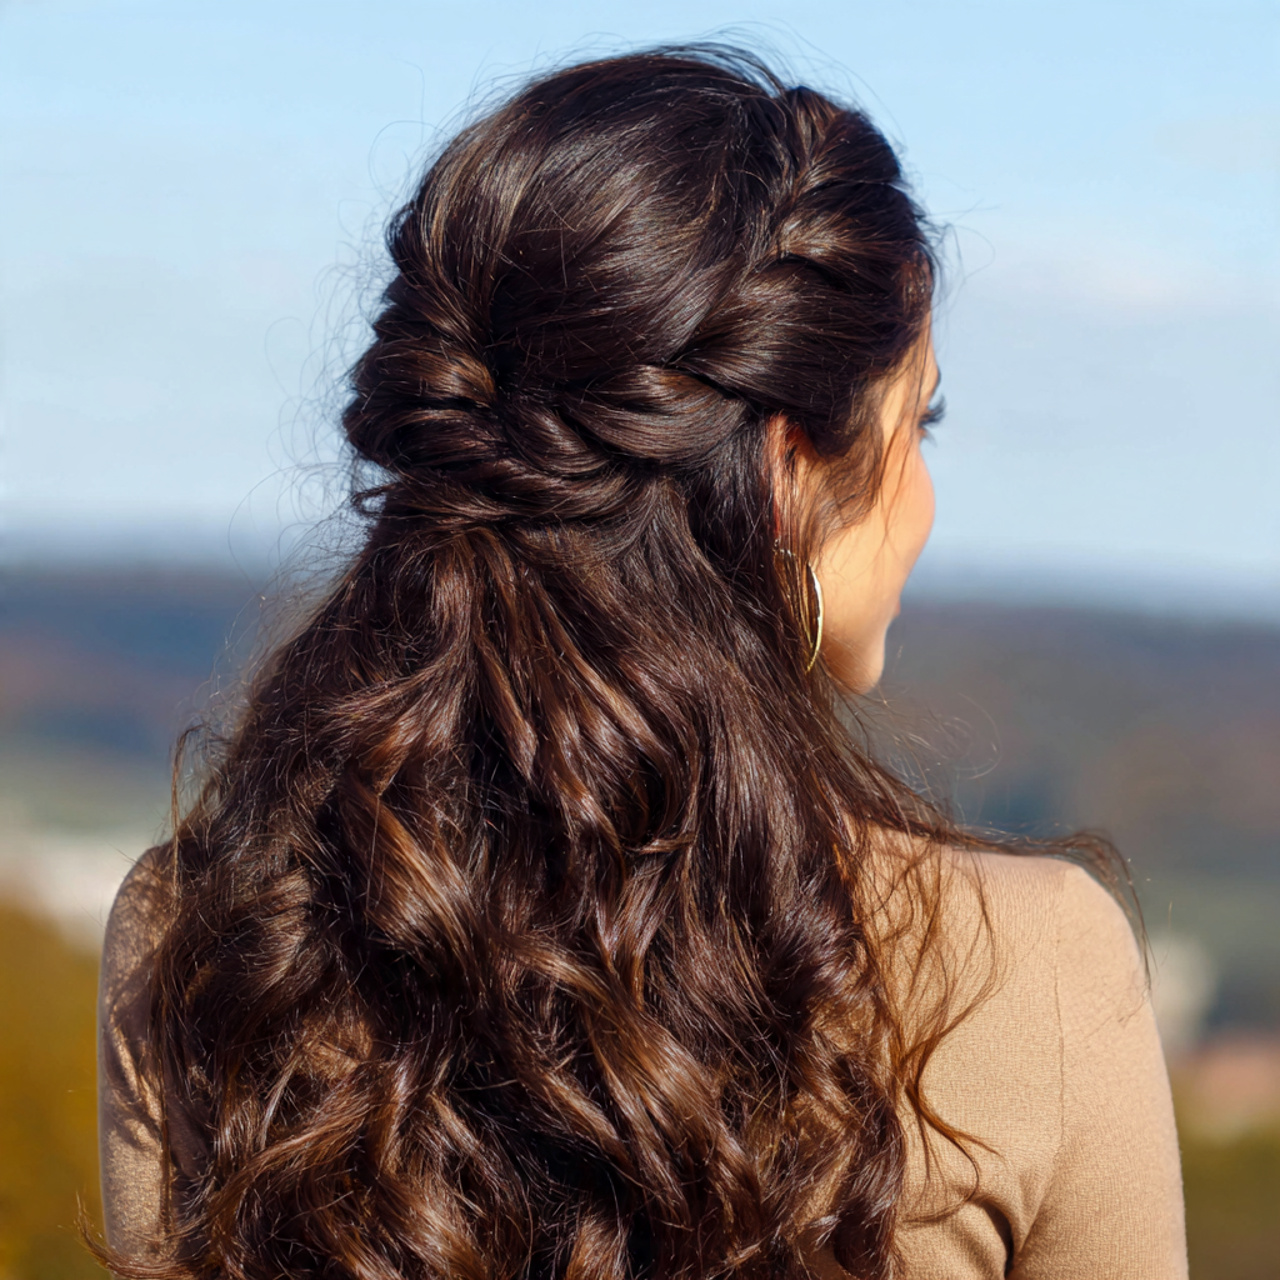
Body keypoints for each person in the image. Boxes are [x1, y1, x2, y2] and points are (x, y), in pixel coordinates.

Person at [96, 47, 1187, 1280]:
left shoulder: (219, 934)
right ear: (783, 469)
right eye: (915, 421)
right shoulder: (1030, 971)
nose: (926, 496)